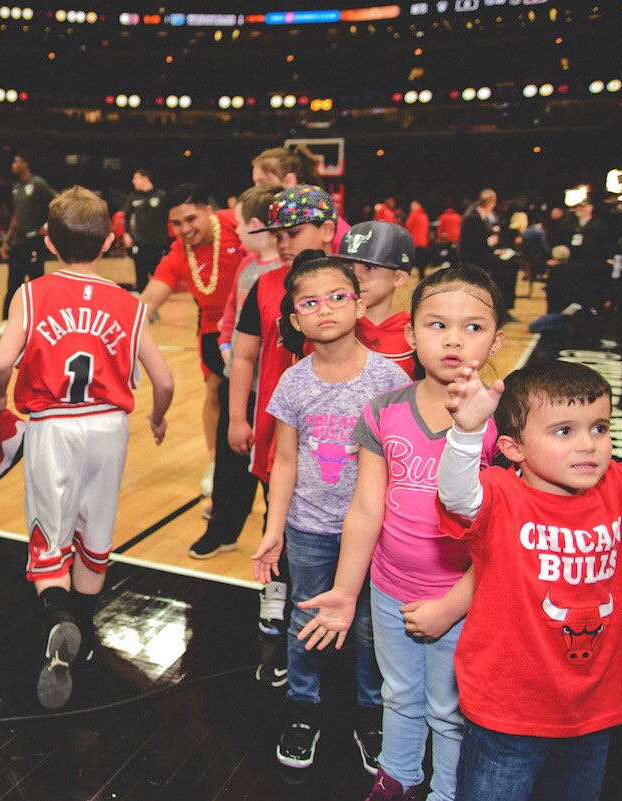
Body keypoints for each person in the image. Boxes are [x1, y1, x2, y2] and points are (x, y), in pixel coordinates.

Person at [297, 264, 508, 801]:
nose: (455, 339)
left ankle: (446, 792)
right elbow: (367, 508)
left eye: (473, 327)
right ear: (410, 335)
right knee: (399, 695)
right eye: (437, 325)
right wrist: (347, 591)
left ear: (498, 340)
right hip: (390, 591)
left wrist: (453, 605)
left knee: (450, 708)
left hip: (466, 597)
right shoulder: (384, 411)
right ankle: (398, 779)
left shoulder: (503, 423)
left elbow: (505, 537)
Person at [0, 186, 173, 710]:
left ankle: (60, 621)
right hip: (109, 427)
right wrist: (156, 419)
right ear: (112, 240)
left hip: (53, 428)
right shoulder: (130, 304)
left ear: (47, 240)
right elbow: (164, 380)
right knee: (95, 535)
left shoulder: (31, 292)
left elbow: (1, 363)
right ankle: (82, 639)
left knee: (50, 539)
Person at [437, 360, 622, 801]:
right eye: (564, 431)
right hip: (508, 710)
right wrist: (465, 433)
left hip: (592, 708)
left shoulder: (615, 485)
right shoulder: (502, 494)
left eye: (599, 428)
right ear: (514, 448)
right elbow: (457, 495)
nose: (588, 445)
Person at [252, 255, 407, 773]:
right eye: (310, 303)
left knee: (368, 624)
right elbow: (286, 461)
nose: (326, 310)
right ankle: (303, 706)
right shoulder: (294, 383)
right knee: (305, 614)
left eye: (338, 297)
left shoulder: (389, 380)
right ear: (295, 320)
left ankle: (371, 713)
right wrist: (275, 530)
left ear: (359, 304)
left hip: (373, 530)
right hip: (309, 527)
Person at [229, 185, 339, 689]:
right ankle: (277, 589)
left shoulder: (349, 286)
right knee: (280, 510)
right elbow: (246, 356)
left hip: (338, 434)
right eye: (279, 234)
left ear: (328, 229)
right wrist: (237, 417)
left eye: (294, 232)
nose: (286, 243)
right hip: (281, 430)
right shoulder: (266, 283)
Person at [141, 184, 243, 502]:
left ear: (208, 211)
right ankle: (216, 464)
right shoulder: (178, 253)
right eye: (176, 224)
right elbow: (148, 302)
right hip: (213, 328)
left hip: (253, 324)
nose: (185, 229)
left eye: (190, 219)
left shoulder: (236, 225)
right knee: (214, 393)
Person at [197, 182, 280, 559]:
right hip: (241, 384)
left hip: (273, 392)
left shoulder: (288, 271)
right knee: (230, 463)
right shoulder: (247, 266)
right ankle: (223, 529)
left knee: (271, 468)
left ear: (259, 225)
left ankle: (273, 541)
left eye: (241, 224)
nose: (237, 232)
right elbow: (230, 312)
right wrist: (227, 346)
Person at [336, 221, 418, 377]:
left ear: (399, 277)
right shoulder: (333, 328)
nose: (356, 277)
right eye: (349, 268)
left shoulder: (417, 335)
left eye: (369, 267)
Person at [0, 151, 57, 335]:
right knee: (13, 283)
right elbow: (16, 216)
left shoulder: (37, 183)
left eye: (16, 161)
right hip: (18, 242)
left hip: (33, 241)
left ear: (25, 163)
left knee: (36, 284)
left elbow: (58, 201)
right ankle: (6, 321)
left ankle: (41, 324)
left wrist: (47, 225)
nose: (12, 164)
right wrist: (6, 240)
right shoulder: (16, 188)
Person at [250, 145, 351, 250]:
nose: (255, 190)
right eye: (278, 237)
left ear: (289, 180)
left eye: (263, 182)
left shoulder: (328, 224)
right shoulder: (270, 220)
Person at [460, 188, 516, 322]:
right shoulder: (473, 218)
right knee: (508, 268)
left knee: (510, 264)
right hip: (473, 257)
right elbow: (471, 244)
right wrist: (489, 242)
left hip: (482, 253)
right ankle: (503, 307)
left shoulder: (483, 216)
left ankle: (503, 307)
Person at [122, 168, 167, 292]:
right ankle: (143, 304)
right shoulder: (133, 197)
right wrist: (127, 234)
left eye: (135, 178)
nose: (133, 181)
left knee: (158, 275)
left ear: (145, 178)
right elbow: (126, 218)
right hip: (140, 243)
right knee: (141, 275)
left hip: (158, 243)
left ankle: (158, 302)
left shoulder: (161, 195)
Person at [404, 201, 432, 279]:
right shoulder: (424, 215)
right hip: (423, 241)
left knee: (410, 259)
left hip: (415, 241)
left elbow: (409, 226)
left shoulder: (413, 214)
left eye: (413, 205)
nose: (411, 207)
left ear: (418, 205)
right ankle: (421, 275)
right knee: (422, 261)